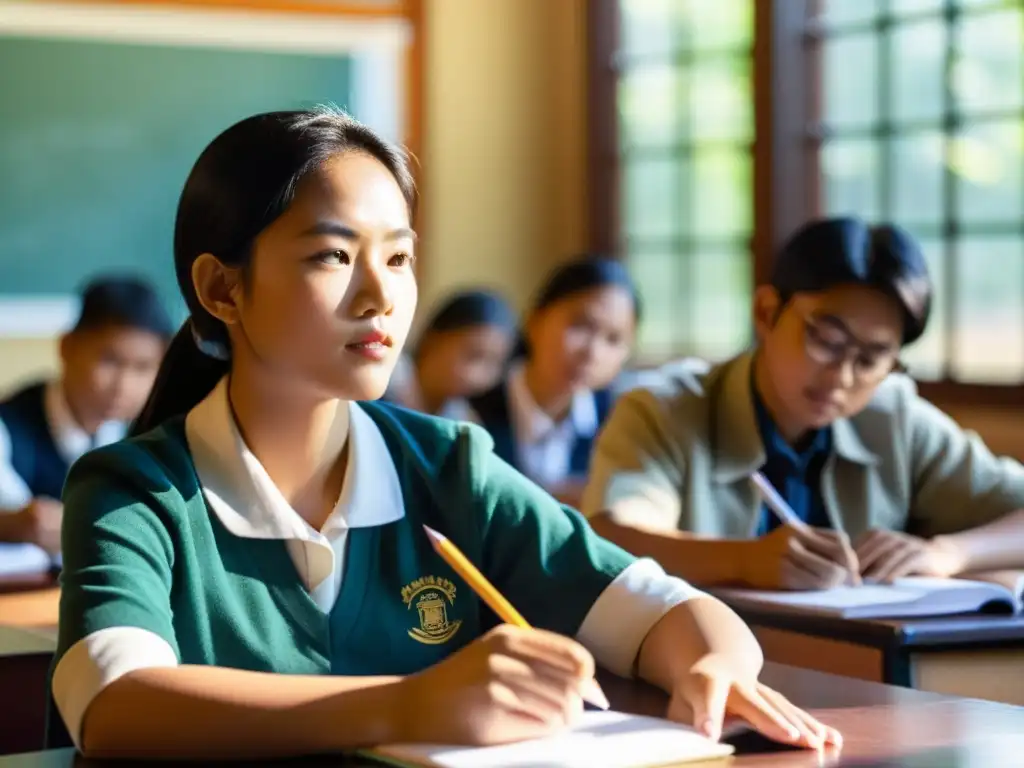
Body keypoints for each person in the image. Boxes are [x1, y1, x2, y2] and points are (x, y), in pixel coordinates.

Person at [50, 107, 839, 760]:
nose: (381, 297)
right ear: (222, 288)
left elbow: (668, 610)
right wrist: (408, 706)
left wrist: (713, 665)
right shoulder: (132, 490)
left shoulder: (448, 467)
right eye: (333, 255)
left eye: (399, 259)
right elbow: (118, 707)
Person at [581, 217, 1024, 591]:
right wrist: (745, 562)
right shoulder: (663, 410)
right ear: (766, 313)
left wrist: (950, 553)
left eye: (871, 359)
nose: (841, 377)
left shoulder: (895, 421)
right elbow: (611, 540)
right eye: (827, 341)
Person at [0, 276, 171, 552]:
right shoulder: (8, 427)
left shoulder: (151, 433)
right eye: (109, 361)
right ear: (66, 347)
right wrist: (13, 524)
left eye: (143, 367)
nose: (123, 386)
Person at [470, 256, 639, 508]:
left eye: (613, 339)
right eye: (580, 325)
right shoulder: (471, 408)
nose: (592, 352)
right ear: (534, 320)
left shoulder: (619, 422)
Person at [384, 289, 516, 420]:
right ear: (435, 338)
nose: (477, 377)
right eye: (473, 355)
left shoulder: (463, 420)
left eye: (494, 364)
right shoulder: (384, 382)